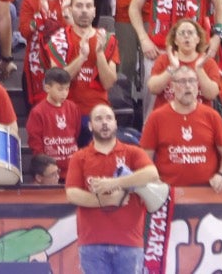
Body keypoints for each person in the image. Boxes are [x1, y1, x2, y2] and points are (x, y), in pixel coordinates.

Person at [65, 104, 170, 274]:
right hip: (92, 242)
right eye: (98, 119)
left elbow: (152, 174)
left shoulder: (133, 152)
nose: (104, 123)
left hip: (129, 242)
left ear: (115, 123)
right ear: (90, 126)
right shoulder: (80, 157)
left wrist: (114, 183)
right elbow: (72, 194)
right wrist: (104, 200)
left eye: (108, 118)